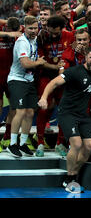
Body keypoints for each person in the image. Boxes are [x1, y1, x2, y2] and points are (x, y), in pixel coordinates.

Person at [38, 46, 91, 193]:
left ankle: (72, 174)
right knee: (76, 144)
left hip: (83, 115)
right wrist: (44, 98)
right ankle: (71, 179)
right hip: (67, 113)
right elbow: (53, 83)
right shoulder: (74, 72)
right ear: (86, 57)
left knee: (89, 147)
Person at [6, 16, 46, 158]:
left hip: (29, 80)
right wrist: (39, 62)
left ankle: (23, 143)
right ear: (24, 28)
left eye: (35, 28)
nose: (33, 31)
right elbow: (25, 64)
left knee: (30, 112)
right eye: (30, 28)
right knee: (21, 112)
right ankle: (12, 144)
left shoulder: (35, 39)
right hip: (17, 80)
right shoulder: (22, 42)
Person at [35, 15, 74, 157]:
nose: (53, 35)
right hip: (46, 75)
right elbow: (40, 61)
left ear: (62, 29)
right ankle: (39, 142)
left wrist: (64, 64)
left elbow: (73, 50)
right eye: (51, 31)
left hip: (64, 77)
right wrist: (55, 66)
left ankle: (60, 143)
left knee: (63, 109)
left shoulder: (69, 36)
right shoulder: (42, 38)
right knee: (44, 107)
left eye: (56, 33)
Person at [0, 18, 22, 152]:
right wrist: (9, 34)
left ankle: (7, 137)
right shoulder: (5, 32)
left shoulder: (21, 33)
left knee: (14, 106)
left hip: (13, 76)